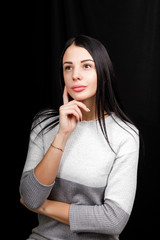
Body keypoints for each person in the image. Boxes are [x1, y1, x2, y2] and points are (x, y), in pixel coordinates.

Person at [20, 35, 139, 240]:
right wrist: (62, 134)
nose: (75, 75)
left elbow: (114, 220)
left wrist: (45, 207)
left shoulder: (124, 135)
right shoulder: (43, 124)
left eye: (86, 66)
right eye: (68, 67)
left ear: (102, 73)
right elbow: (30, 196)